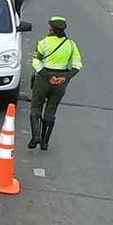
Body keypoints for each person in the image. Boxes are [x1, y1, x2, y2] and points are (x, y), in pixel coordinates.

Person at [28, 16, 82, 151]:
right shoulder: (71, 45)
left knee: (36, 107)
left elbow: (36, 62)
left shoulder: (43, 43)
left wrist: (48, 77)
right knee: (51, 110)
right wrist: (65, 78)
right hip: (61, 82)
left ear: (52, 29)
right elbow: (77, 65)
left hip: (43, 79)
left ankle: (35, 136)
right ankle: (45, 142)